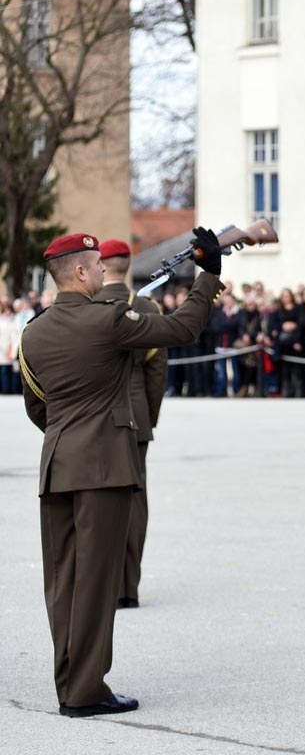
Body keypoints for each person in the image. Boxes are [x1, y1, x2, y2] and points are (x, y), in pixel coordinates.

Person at [20, 230, 223, 717]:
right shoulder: (108, 319)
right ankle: (86, 691)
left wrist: (67, 436)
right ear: (84, 272)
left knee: (63, 582)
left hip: (58, 466)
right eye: (96, 266)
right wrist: (209, 273)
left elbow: (36, 407)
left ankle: (69, 681)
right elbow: (182, 329)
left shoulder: (34, 331)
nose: (102, 273)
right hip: (105, 467)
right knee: (96, 582)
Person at [92, 240, 170, 610]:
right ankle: (128, 589)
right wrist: (148, 418)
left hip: (97, 418)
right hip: (136, 415)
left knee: (97, 502)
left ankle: (101, 586)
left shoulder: (90, 308)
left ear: (101, 265)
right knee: (135, 502)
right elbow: (157, 373)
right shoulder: (146, 307)